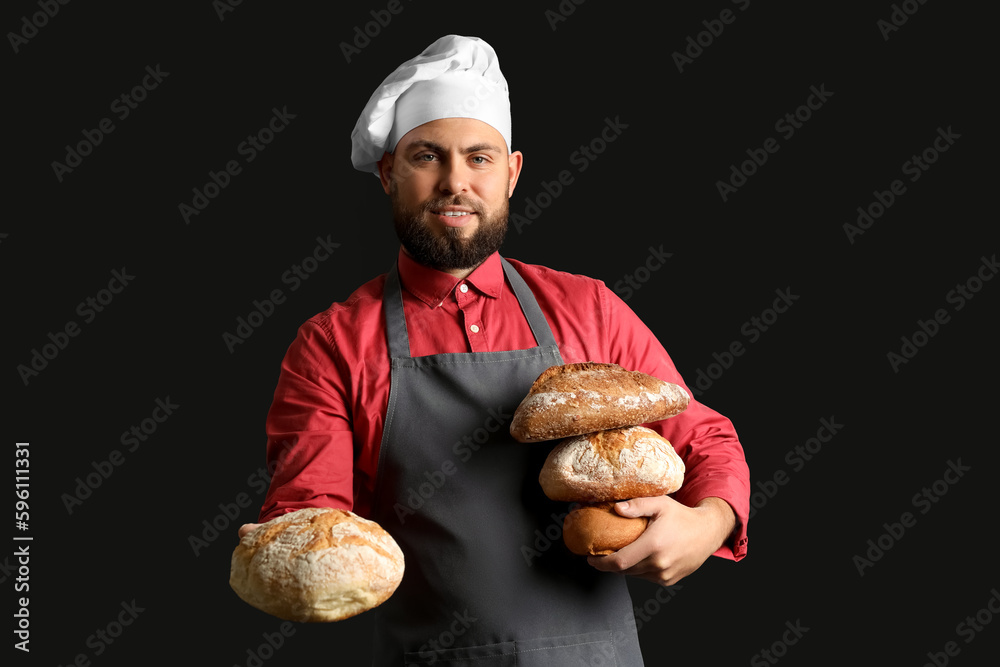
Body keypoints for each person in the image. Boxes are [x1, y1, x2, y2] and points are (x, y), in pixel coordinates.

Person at [238, 34, 750, 665]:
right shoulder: (333, 343)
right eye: (427, 156)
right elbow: (310, 515)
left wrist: (710, 522)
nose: (456, 182)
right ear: (388, 173)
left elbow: (704, 437)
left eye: (479, 158)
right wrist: (282, 548)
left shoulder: (587, 306)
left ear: (511, 173)